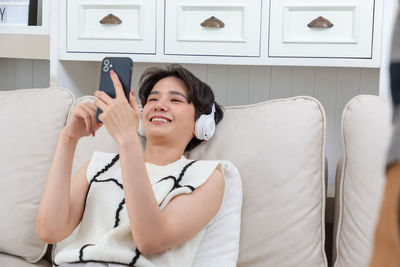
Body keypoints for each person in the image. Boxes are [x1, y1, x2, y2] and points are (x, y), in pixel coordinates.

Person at [36, 64, 228, 267]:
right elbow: (50, 231)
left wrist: (127, 138)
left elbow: (150, 239)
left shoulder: (206, 177)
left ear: (201, 124)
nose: (159, 105)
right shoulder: (98, 166)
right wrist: (68, 138)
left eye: (175, 100)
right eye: (153, 99)